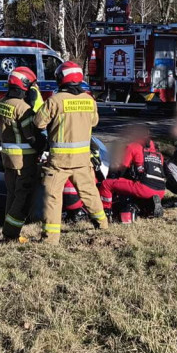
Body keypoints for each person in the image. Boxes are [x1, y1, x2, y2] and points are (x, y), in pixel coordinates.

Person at [34, 61, 108, 244]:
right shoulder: (89, 100)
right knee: (89, 192)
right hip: (82, 160)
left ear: (61, 78)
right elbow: (94, 122)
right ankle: (103, 224)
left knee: (52, 197)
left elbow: (38, 123)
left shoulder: (55, 101)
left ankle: (50, 239)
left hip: (59, 161)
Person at [0, 66, 44, 242]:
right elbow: (31, 137)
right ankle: (11, 234)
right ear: (24, 86)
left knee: (12, 195)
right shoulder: (23, 108)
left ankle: (8, 230)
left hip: (6, 158)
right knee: (22, 198)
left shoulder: (1, 103)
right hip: (24, 160)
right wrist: (42, 147)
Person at [97, 124, 165, 219]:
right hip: (161, 190)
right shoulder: (158, 154)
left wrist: (115, 175)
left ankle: (106, 211)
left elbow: (122, 167)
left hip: (144, 187)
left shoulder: (133, 146)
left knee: (107, 184)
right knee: (136, 188)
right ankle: (149, 206)